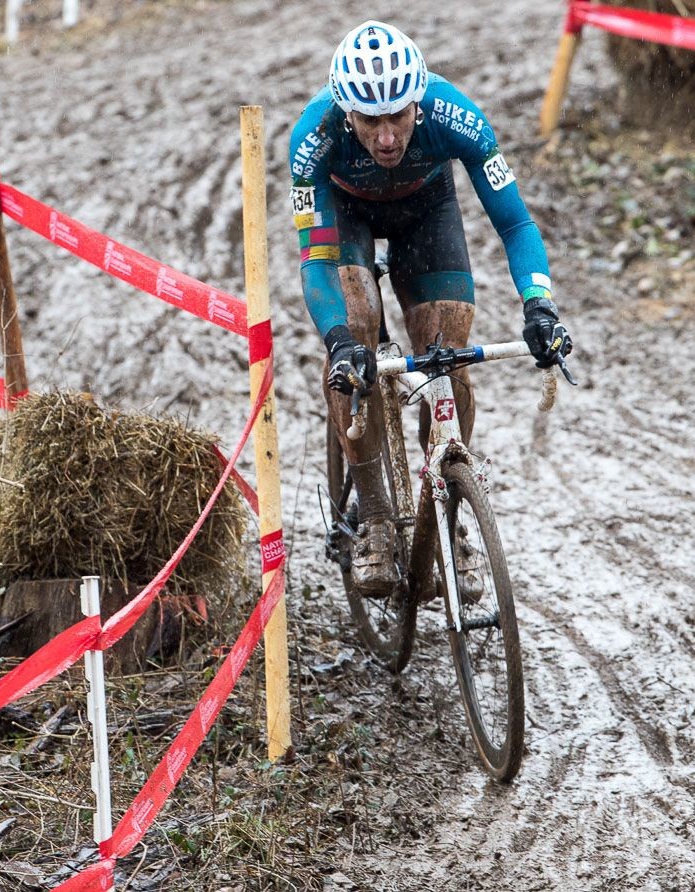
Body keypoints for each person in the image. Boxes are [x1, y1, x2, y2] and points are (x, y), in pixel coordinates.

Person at [290, 20, 572, 594]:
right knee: (359, 324)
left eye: (398, 115)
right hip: (346, 216)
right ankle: (372, 517)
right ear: (347, 113)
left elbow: (515, 221)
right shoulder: (311, 139)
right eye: (370, 120)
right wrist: (340, 339)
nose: (388, 136)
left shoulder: (456, 117)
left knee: (448, 354)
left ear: (418, 102)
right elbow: (316, 260)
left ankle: (448, 506)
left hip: (427, 211)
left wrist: (539, 304)